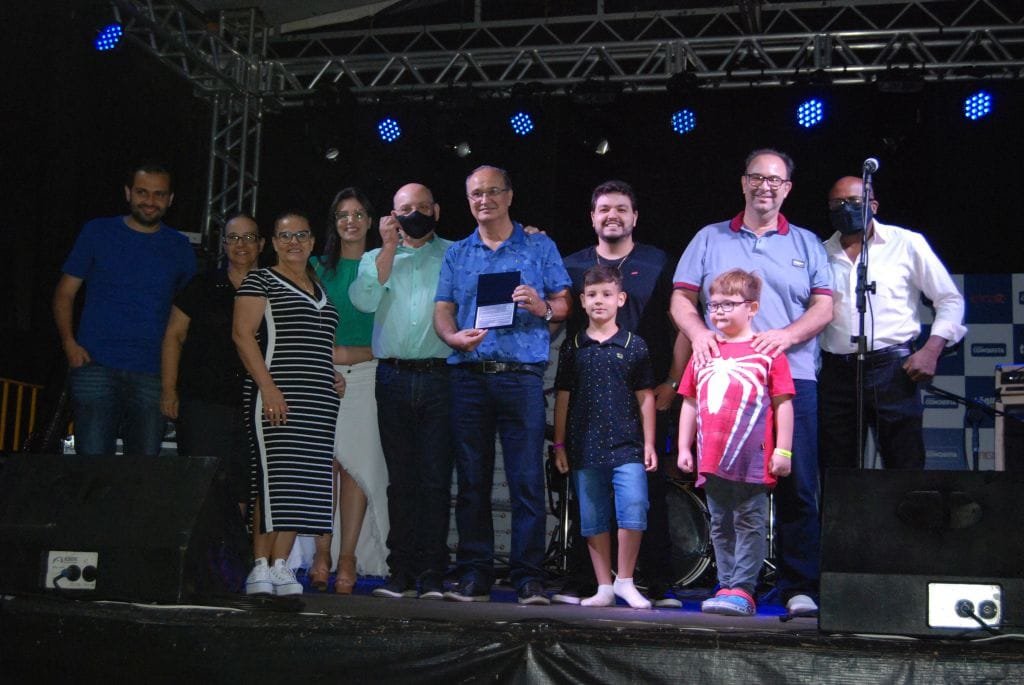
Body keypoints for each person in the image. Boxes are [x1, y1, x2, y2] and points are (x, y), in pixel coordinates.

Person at [670, 148, 832, 617]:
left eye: (775, 180)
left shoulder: (806, 243)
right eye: (757, 177)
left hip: (790, 379)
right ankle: (735, 585)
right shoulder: (709, 237)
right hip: (724, 385)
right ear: (743, 182)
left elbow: (825, 307)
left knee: (798, 485)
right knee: (727, 493)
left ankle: (800, 586)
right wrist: (699, 334)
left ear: (787, 189)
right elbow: (681, 299)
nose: (765, 186)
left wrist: (786, 336)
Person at [434, 165, 572, 605]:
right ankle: (474, 574)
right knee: (472, 481)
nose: (484, 199)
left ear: (510, 196)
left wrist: (542, 306)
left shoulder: (539, 245)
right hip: (469, 376)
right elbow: (443, 309)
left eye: (493, 191)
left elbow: (564, 302)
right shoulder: (458, 253)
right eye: (476, 193)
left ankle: (528, 577)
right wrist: (453, 337)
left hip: (521, 377)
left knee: (526, 480)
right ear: (468, 200)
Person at [554, 179, 688, 607]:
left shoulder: (658, 262)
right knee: (588, 495)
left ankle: (657, 582)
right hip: (588, 398)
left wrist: (672, 383)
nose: (612, 215)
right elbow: (554, 320)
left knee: (647, 490)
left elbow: (683, 325)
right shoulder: (571, 265)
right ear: (592, 217)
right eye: (604, 209)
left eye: (621, 209)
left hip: (645, 393)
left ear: (634, 217)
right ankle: (587, 582)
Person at [348, 182, 454, 600]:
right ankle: (401, 571)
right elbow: (363, 301)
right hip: (391, 377)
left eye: (424, 207)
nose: (416, 214)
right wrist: (389, 248)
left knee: (435, 480)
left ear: (437, 211)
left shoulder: (455, 254)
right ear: (392, 215)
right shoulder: (375, 258)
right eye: (406, 208)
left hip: (441, 377)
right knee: (401, 481)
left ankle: (433, 572)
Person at [819, 176, 966, 470]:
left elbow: (949, 300)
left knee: (904, 464)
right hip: (837, 371)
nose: (846, 208)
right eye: (838, 203)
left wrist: (931, 350)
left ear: (873, 205)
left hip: (893, 369)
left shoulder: (906, 243)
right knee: (837, 470)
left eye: (855, 202)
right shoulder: (820, 252)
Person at [233, 211, 344, 596]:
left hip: (318, 401)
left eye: (301, 235)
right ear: (274, 243)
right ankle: (259, 567)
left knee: (301, 483)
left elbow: (317, 342)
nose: (293, 242)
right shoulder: (261, 280)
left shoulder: (320, 288)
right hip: (277, 396)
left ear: (312, 242)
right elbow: (243, 336)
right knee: (274, 481)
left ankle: (281, 566)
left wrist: (332, 373)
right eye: (285, 235)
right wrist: (268, 388)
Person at [53, 161, 196, 456]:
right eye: (143, 192)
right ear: (128, 193)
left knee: (142, 469)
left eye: (159, 194)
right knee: (92, 466)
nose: (150, 201)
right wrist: (69, 343)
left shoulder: (180, 246)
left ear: (170, 199)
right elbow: (64, 293)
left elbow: (187, 314)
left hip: (153, 372)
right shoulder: (97, 232)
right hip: (95, 365)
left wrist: (174, 377)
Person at [677, 268, 794, 616]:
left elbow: (783, 403)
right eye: (714, 305)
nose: (719, 311)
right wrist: (683, 447)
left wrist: (783, 450)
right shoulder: (705, 351)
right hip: (712, 458)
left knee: (748, 521)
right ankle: (726, 585)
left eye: (729, 304)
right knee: (720, 523)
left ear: (752, 308)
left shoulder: (767, 352)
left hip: (752, 458)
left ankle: (743, 589)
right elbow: (690, 401)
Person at [553, 264, 658, 609]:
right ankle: (603, 586)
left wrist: (650, 443)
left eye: (607, 294)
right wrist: (560, 444)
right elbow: (563, 397)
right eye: (593, 295)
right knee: (593, 516)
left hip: (627, 446)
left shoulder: (634, 345)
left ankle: (625, 580)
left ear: (621, 299)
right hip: (585, 446)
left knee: (634, 507)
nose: (599, 301)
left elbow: (645, 397)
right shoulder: (573, 347)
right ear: (582, 301)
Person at [309, 187, 390, 594]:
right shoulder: (314, 267)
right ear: (334, 221)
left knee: (354, 467)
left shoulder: (383, 265)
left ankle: (347, 557)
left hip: (368, 375)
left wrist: (350, 352)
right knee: (323, 466)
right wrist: (326, 359)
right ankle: (321, 554)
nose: (351, 221)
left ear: (370, 221)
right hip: (318, 376)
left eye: (358, 214)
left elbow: (396, 331)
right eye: (343, 214)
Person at [161, 213, 264, 516]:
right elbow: (173, 336)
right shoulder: (202, 285)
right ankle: (203, 546)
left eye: (248, 237)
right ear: (224, 245)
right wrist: (168, 389)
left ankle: (231, 545)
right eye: (233, 237)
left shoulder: (273, 289)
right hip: (203, 402)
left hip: (254, 404)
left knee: (243, 484)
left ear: (261, 244)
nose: (241, 244)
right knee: (201, 483)